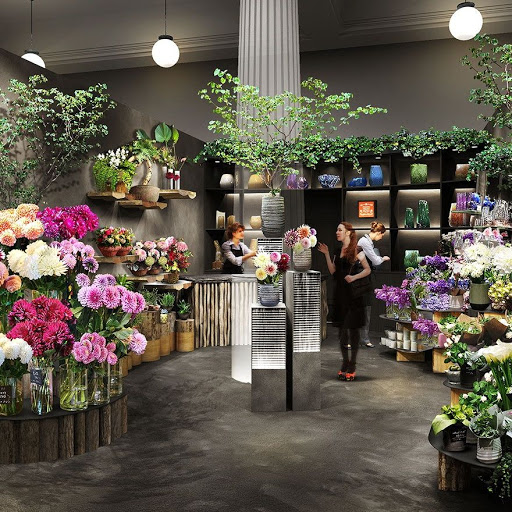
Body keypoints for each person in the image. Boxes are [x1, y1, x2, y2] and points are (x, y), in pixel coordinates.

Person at [318, 222, 371, 381]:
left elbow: (367, 270)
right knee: (342, 332)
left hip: (353, 296)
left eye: (340, 229)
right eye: (337, 229)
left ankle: (352, 365)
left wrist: (354, 277)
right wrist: (326, 254)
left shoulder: (357, 250)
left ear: (348, 232)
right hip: (340, 295)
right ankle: (345, 362)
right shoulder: (337, 251)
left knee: (353, 331)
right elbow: (333, 272)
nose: (337, 232)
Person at [357, 221, 390, 348]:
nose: (381, 238)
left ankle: (363, 338)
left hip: (365, 278)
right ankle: (359, 338)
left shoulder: (367, 242)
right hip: (361, 278)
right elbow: (375, 261)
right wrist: (383, 258)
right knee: (361, 308)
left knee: (366, 308)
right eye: (382, 235)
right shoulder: (364, 242)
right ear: (378, 233)